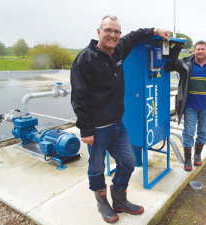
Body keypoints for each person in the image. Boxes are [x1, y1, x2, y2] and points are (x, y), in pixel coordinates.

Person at [70, 15, 170, 223]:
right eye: (108, 30)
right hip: (96, 129)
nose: (112, 35)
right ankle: (102, 203)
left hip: (117, 124)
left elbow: (134, 36)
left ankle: (119, 199)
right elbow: (78, 97)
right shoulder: (85, 59)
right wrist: (86, 129)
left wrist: (155, 30)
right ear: (99, 32)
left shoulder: (118, 51)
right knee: (96, 168)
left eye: (116, 32)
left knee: (128, 162)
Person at [165, 40, 206, 171]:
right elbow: (172, 62)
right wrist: (177, 48)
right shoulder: (186, 65)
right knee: (188, 132)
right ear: (193, 51)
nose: (200, 51)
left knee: (203, 132)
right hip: (190, 106)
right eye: (197, 49)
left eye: (202, 49)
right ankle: (188, 159)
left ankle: (198, 155)